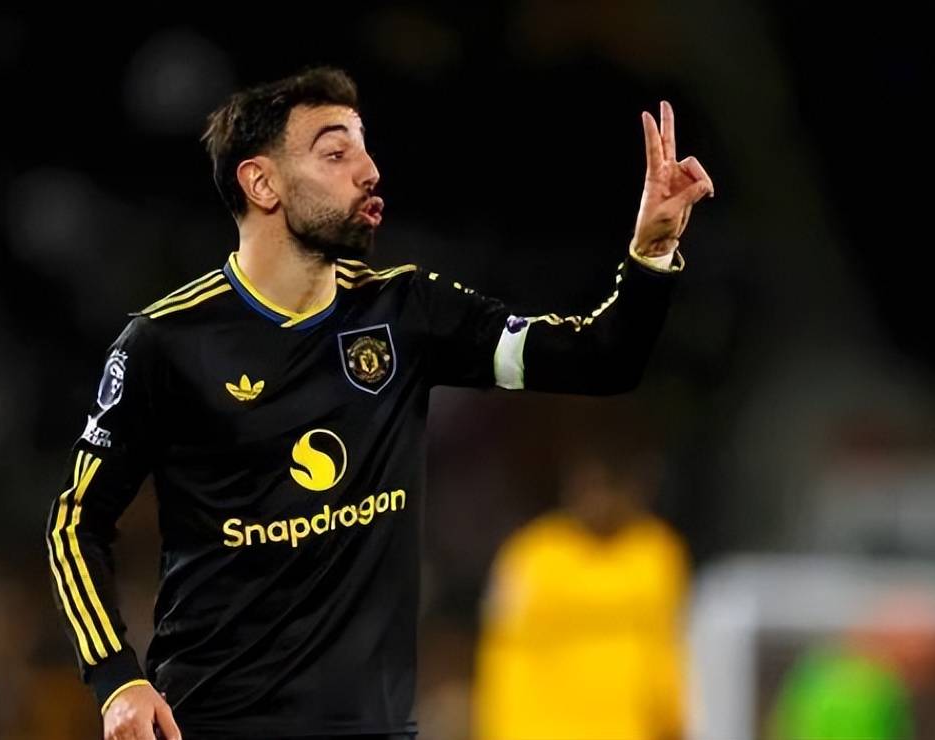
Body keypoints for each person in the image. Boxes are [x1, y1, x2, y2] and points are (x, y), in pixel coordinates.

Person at [43, 66, 714, 740]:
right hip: (213, 723)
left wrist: (652, 252)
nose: (369, 172)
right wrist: (116, 678)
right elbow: (75, 522)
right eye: (336, 154)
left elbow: (601, 359)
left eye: (364, 150)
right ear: (261, 183)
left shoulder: (406, 313)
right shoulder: (166, 343)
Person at [473, 454, 689, 740]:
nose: (599, 500)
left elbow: (665, 645)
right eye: (590, 487)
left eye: (608, 487)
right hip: (540, 729)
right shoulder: (532, 553)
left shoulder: (655, 551)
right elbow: (502, 648)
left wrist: (673, 720)